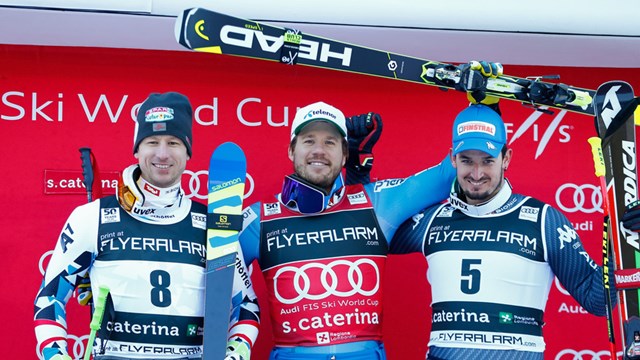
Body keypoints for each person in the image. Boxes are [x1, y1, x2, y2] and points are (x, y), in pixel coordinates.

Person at [34, 92, 260, 360]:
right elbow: (49, 300)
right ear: (137, 149)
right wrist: (55, 355)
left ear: (187, 152)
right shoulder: (92, 217)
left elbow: (246, 305)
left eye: (173, 142)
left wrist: (237, 353)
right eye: (152, 141)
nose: (162, 154)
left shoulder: (213, 225)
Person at [235, 98, 458, 359]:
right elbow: (207, 272)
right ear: (291, 151)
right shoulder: (259, 220)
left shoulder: (375, 204)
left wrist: (485, 107)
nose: (319, 150)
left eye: (330, 142)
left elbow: (447, 174)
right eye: (309, 140)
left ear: (345, 154)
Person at [390, 103, 616, 359]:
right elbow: (365, 239)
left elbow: (597, 300)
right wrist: (356, 172)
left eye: (487, 161)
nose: (477, 174)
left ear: (506, 158)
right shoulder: (434, 219)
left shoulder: (542, 220)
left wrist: (628, 240)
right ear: (453, 158)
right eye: (467, 161)